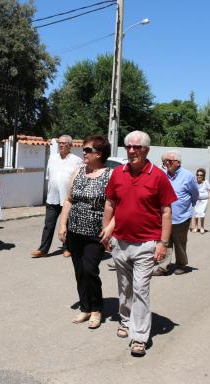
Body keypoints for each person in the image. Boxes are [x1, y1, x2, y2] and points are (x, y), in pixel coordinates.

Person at [101, 131, 177, 357]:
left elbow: (166, 211)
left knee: (141, 289)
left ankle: (140, 336)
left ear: (147, 150)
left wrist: (163, 242)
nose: (132, 150)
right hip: (120, 242)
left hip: (146, 244)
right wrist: (107, 232)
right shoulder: (118, 173)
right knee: (124, 287)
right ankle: (125, 320)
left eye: (137, 147)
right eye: (128, 147)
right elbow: (110, 203)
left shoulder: (158, 176)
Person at [58, 135, 111, 329]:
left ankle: (96, 309)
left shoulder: (109, 175)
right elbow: (69, 200)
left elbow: (114, 205)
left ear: (100, 154)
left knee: (90, 270)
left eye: (88, 150)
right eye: (84, 149)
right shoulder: (78, 172)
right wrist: (63, 224)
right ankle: (85, 307)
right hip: (74, 230)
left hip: (96, 232)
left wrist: (110, 229)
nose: (84, 153)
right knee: (79, 271)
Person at [32, 135, 82, 258]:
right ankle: (43, 250)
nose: (61, 145)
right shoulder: (52, 158)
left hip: (68, 199)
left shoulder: (77, 160)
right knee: (48, 225)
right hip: (52, 198)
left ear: (70, 145)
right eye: (59, 142)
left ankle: (67, 248)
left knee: (68, 225)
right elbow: (49, 177)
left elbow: (79, 181)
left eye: (64, 143)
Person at [154, 151, 198, 276]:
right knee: (165, 241)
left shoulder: (188, 176)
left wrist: (188, 206)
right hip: (165, 216)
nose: (166, 163)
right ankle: (163, 266)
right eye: (165, 161)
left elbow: (195, 194)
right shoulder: (163, 175)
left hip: (182, 216)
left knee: (179, 242)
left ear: (178, 163)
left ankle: (181, 264)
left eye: (169, 161)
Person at [190, 168, 210, 234]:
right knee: (196, 214)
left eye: (201, 175)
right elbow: (191, 190)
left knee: (202, 214)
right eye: (198, 175)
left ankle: (202, 227)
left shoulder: (206, 182)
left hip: (204, 201)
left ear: (203, 176)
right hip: (196, 200)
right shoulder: (194, 182)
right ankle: (196, 227)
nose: (199, 176)